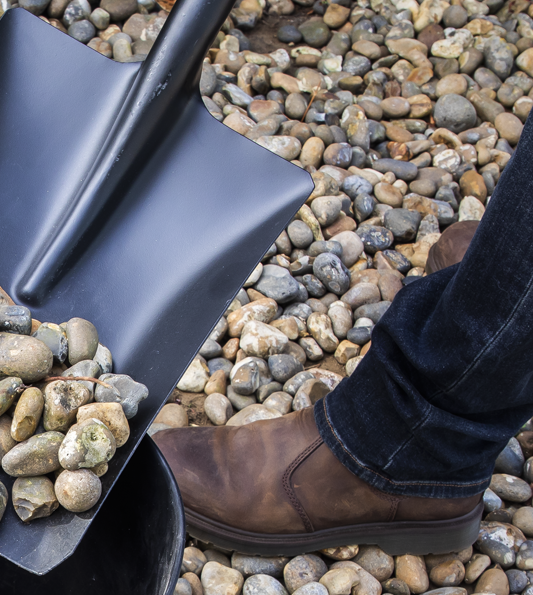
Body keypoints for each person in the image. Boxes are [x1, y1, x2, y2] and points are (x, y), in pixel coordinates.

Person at [152, 114, 532, 558]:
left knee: (513, 289)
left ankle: (414, 441)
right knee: (509, 272)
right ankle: (508, 286)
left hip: (405, 445)